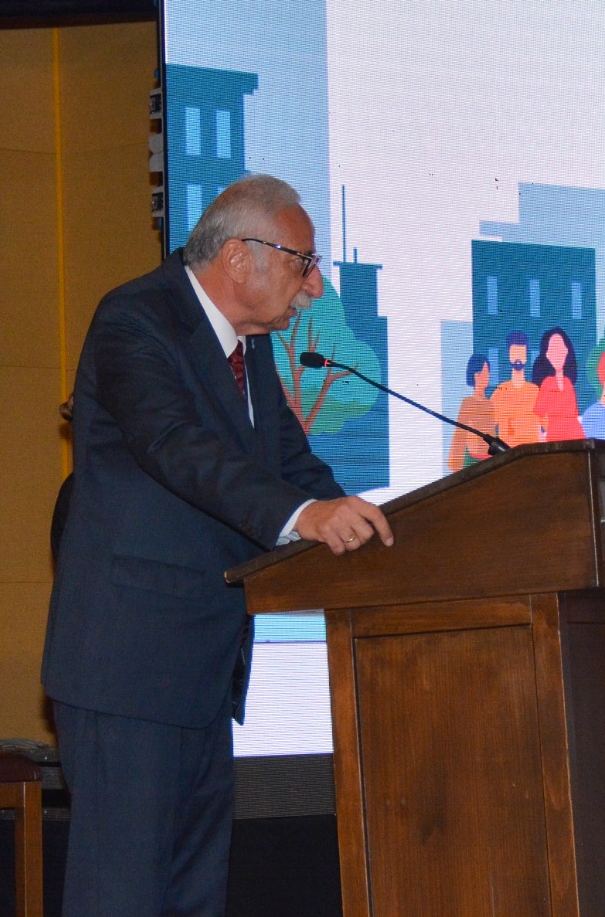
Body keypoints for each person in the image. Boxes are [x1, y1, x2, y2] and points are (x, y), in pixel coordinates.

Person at [42, 174, 394, 917]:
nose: (316, 286)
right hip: (127, 669)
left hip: (202, 672)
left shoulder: (250, 349)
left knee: (194, 900)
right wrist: (305, 516)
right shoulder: (135, 319)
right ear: (240, 256)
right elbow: (175, 445)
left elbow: (292, 465)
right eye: (304, 262)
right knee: (122, 899)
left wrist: (379, 532)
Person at [531, 326, 584, 441]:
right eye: (553, 349)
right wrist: (540, 439)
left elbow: (575, 415)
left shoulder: (568, 383)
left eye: (560, 348)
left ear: (566, 351)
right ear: (547, 355)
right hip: (556, 440)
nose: (557, 354)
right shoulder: (547, 384)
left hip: (576, 438)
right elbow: (537, 415)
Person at [491, 330, 541, 446]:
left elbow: (548, 425)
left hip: (533, 452)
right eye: (514, 353)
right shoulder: (501, 391)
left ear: (526, 356)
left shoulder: (535, 391)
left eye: (521, 353)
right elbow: (487, 425)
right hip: (509, 454)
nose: (518, 358)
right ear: (509, 355)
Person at [447, 353, 495, 471]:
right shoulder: (467, 403)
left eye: (488, 372)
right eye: (485, 372)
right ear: (476, 375)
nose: (488, 376)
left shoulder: (490, 404)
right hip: (474, 464)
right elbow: (459, 436)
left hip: (492, 463)